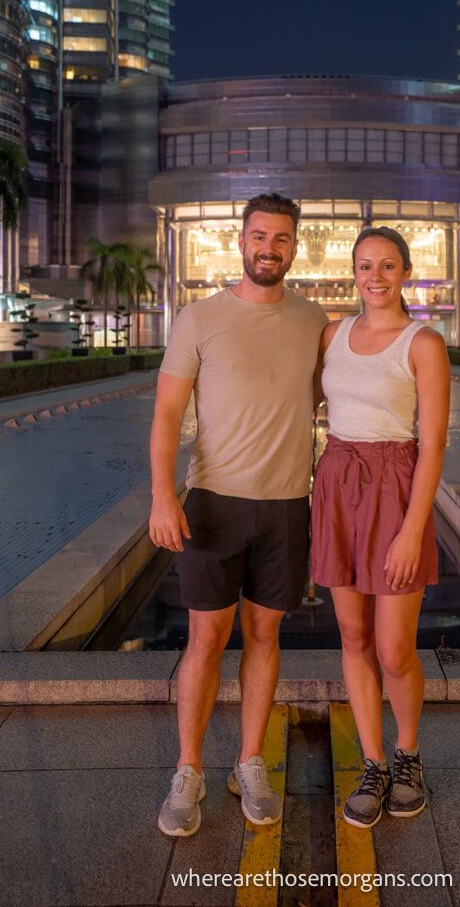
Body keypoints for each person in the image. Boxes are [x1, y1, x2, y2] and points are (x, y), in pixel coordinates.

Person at [149, 192, 327, 838]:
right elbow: (168, 414)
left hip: (286, 507)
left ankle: (249, 761)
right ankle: (189, 769)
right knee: (204, 640)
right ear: (240, 240)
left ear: (294, 247)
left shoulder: (315, 321)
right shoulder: (199, 317)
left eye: (281, 239)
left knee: (264, 637)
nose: (268, 249)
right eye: (259, 236)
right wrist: (163, 495)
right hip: (214, 503)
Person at [311, 226, 450, 829]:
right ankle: (372, 764)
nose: (375, 276)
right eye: (365, 266)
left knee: (395, 649)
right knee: (353, 636)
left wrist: (412, 529)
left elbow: (434, 443)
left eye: (387, 266)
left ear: (406, 272)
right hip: (338, 479)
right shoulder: (331, 334)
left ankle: (408, 754)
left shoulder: (423, 342)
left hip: (395, 484)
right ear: (354, 271)